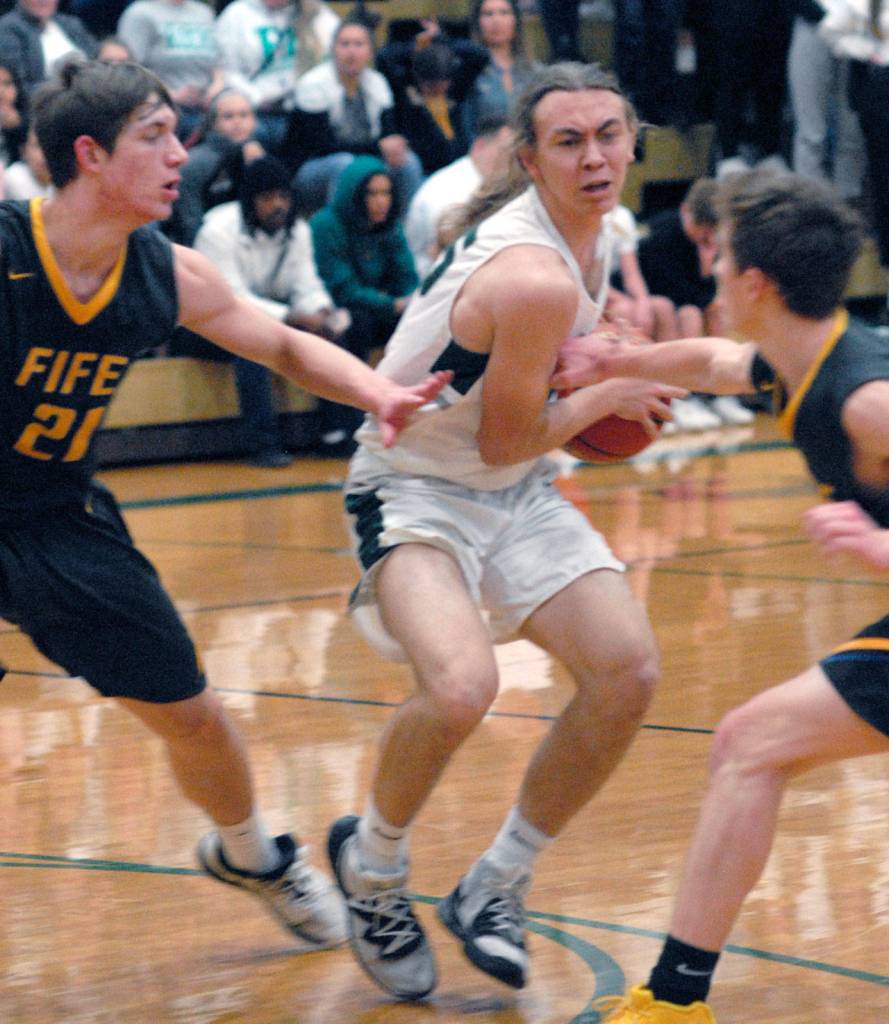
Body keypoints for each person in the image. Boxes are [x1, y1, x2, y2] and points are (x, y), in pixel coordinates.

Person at [3, 58, 449, 951]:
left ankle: (251, 853)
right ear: (89, 155)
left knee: (194, 715)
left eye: (177, 133)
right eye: (155, 136)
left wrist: (378, 395)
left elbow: (282, 344)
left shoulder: (166, 272)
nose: (181, 153)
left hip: (55, 514)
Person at [325, 63, 682, 1002]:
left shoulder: (594, 232)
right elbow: (506, 430)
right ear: (528, 158)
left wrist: (607, 362)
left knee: (627, 671)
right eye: (568, 141)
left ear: (633, 138)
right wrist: (612, 389)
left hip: (513, 487)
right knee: (459, 687)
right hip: (413, 486)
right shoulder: (526, 272)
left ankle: (497, 881)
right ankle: (371, 868)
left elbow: (524, 432)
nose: (595, 154)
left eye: (608, 132)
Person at [551, 170, 888, 1024]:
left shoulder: (869, 401)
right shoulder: (798, 361)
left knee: (749, 744)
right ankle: (672, 1001)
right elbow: (712, 361)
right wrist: (619, 360)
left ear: (754, 284)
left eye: (720, 253)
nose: (707, 270)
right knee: (749, 743)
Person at [194, 154, 351, 466]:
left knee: (333, 335)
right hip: (205, 324)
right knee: (251, 346)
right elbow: (230, 298)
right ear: (249, 202)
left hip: (268, 317)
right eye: (268, 198)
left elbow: (306, 283)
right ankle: (263, 445)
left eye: (284, 197)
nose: (278, 205)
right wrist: (292, 318)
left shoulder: (298, 231)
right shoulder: (217, 231)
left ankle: (336, 434)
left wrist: (320, 312)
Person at [309, 153, 419, 453]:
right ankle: (343, 429)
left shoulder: (390, 225)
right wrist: (392, 304)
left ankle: (419, 417)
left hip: (382, 308)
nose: (381, 201)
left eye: (386, 192)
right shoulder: (325, 225)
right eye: (372, 193)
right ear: (355, 195)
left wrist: (411, 301)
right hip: (337, 311)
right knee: (354, 323)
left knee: (421, 323)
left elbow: (407, 275)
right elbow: (341, 288)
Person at [637, 177, 754, 429]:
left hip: (683, 296)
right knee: (690, 312)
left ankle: (721, 395)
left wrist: (706, 267)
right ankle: (684, 397)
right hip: (655, 295)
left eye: (711, 229)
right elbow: (669, 286)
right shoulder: (663, 231)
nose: (705, 234)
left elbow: (706, 290)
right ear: (685, 212)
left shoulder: (706, 241)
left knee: (716, 309)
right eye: (701, 227)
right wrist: (705, 286)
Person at [284, 16, 423, 216]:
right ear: (333, 50)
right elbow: (323, 146)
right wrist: (378, 148)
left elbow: (388, 133)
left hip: (365, 159)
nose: (351, 51)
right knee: (345, 164)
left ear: (369, 51)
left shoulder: (377, 83)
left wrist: (395, 146)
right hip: (311, 171)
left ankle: (403, 232)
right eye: (344, 44)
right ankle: (342, 234)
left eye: (359, 44)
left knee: (408, 162)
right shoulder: (313, 85)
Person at [214, 0, 340, 153]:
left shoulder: (318, 14)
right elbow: (227, 70)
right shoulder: (237, 13)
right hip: (256, 112)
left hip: (302, 113)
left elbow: (334, 63)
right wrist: (256, 97)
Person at [375, 16, 489, 176]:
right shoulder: (405, 90)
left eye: (441, 85)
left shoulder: (455, 90)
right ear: (419, 79)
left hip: (457, 163)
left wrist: (441, 40)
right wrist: (415, 46)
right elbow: (383, 58)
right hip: (425, 167)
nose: (436, 91)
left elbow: (480, 55)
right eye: (431, 86)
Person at [403, 111, 511, 279]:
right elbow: (445, 252)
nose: (512, 161)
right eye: (505, 151)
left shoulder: (496, 185)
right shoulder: (450, 189)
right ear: (479, 146)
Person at [164, 86, 265, 246]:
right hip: (205, 245)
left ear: (254, 120)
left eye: (244, 115)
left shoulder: (259, 155)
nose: (237, 122)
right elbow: (189, 223)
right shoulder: (195, 163)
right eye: (228, 116)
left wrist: (258, 168)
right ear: (213, 123)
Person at [117, 0, 225, 142]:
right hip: (162, 104)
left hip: (207, 105)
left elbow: (218, 62)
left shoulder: (204, 13)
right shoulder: (140, 13)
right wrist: (171, 95)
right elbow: (129, 69)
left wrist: (216, 87)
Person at [462, 0, 540, 143]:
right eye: (488, 14)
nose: (496, 21)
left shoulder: (537, 72)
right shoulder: (468, 73)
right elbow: (466, 129)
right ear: (478, 23)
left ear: (516, 20)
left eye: (504, 13)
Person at [0, 0, 97, 102]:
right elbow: (19, 86)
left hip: (88, 95)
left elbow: (96, 57)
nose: (43, 1)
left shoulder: (70, 23)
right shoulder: (8, 29)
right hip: (48, 106)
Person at [4, 123, 51, 197]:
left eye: (49, 146)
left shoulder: (65, 180)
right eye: (37, 145)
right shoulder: (12, 177)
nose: (44, 153)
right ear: (23, 150)